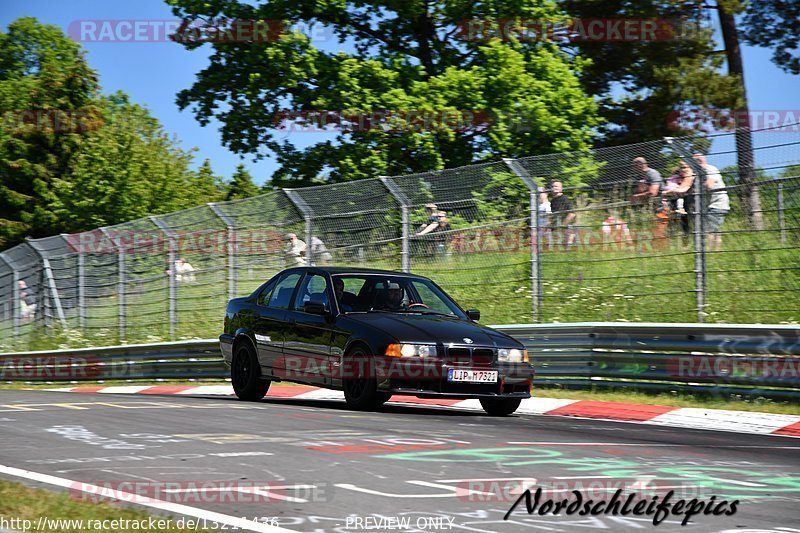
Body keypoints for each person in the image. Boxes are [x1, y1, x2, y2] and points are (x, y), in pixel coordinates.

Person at [693, 153, 730, 251]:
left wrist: (700, 185)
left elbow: (710, 185)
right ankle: (715, 251)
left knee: (710, 230)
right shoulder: (698, 173)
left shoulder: (710, 169)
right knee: (715, 230)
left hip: (717, 204)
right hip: (710, 205)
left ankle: (710, 251)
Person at [662, 161, 696, 243]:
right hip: (680, 206)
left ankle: (690, 244)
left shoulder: (691, 177)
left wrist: (671, 191)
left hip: (692, 206)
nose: (683, 170)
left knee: (692, 226)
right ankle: (676, 243)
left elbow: (683, 189)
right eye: (681, 168)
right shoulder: (677, 178)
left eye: (685, 167)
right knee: (681, 225)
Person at [549, 181, 576, 248]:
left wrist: (562, 225)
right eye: (553, 186)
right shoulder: (553, 201)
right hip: (557, 227)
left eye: (556, 186)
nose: (554, 188)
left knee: (568, 247)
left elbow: (572, 214)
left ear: (561, 188)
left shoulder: (565, 199)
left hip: (567, 227)